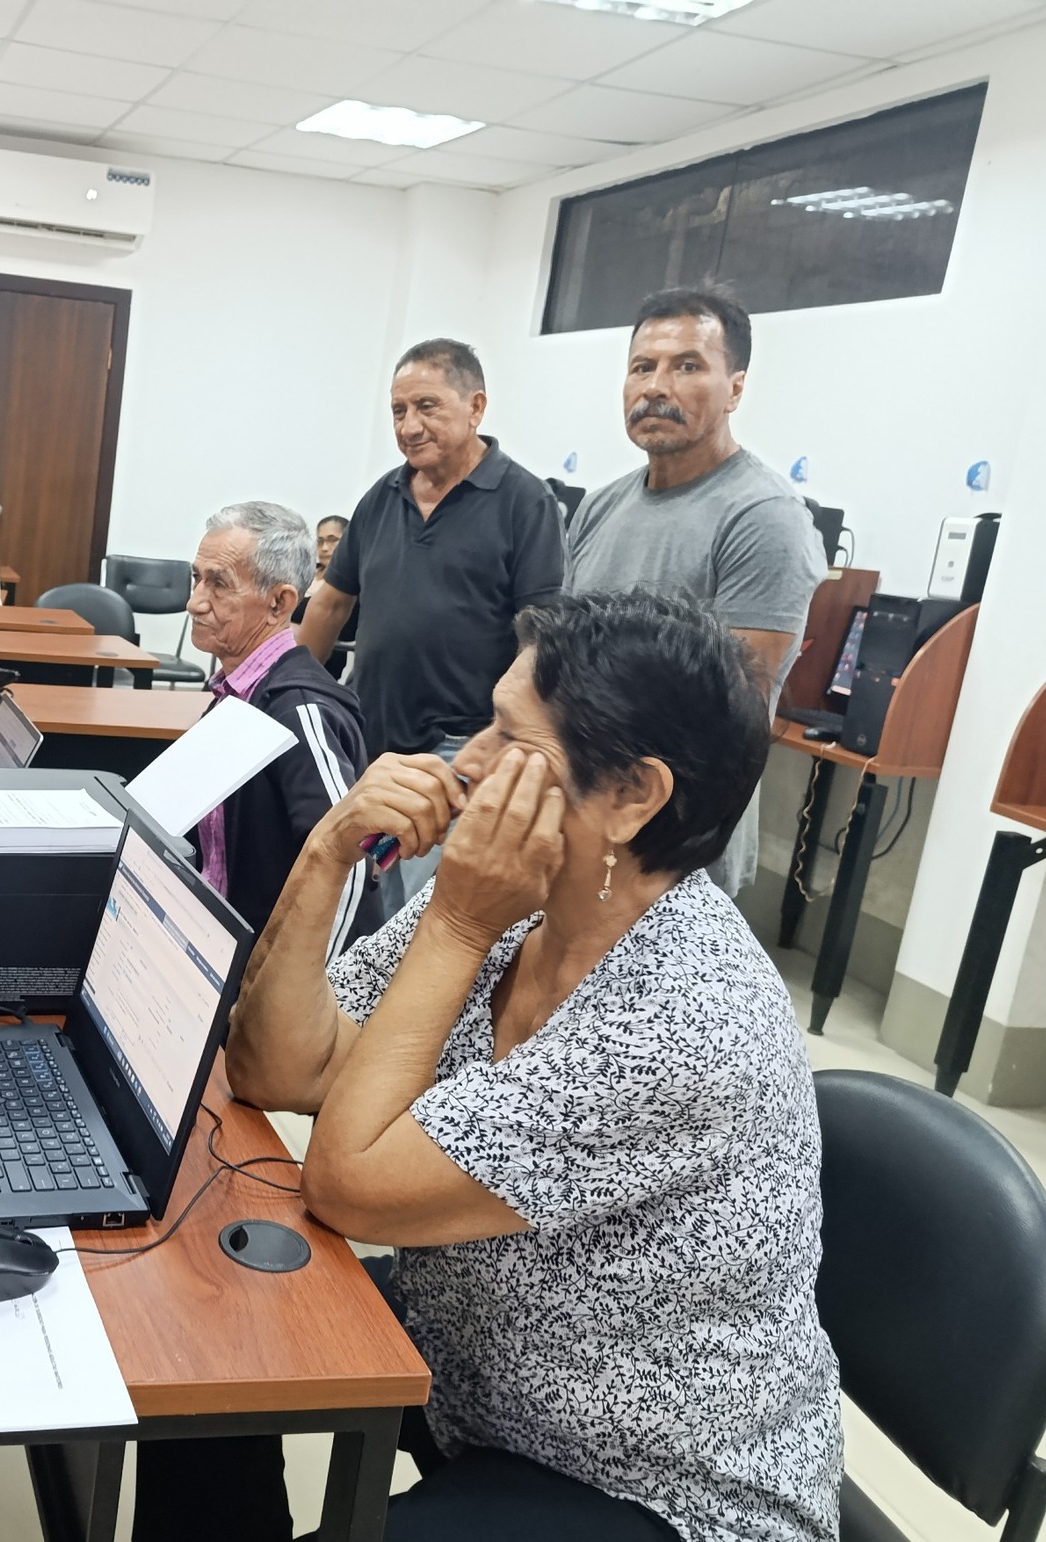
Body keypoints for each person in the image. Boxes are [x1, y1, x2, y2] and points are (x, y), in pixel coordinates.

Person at [192, 591, 840, 1542]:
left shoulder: (681, 1017)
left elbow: (345, 1187)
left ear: (632, 796)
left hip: (647, 1486)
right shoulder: (524, 902)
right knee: (211, 1349)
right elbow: (276, 1068)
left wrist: (456, 924)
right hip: (482, 1375)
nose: (469, 762)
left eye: (508, 738)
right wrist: (330, 848)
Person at [564, 286, 826, 896]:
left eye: (687, 366)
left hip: (676, 844)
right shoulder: (600, 506)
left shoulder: (764, 517)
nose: (656, 387)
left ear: (735, 388)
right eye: (642, 367)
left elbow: (729, 703)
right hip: (581, 814)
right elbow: (559, 661)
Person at [297, 339, 564, 914]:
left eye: (427, 406)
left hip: (459, 747)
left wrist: (512, 739)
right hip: (372, 736)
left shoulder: (525, 501)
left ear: (476, 407)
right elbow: (330, 605)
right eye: (398, 411)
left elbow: (540, 639)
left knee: (414, 911)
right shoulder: (383, 496)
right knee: (369, 891)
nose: (409, 426)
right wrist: (286, 686)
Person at [182, 501, 380, 952]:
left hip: (270, 974)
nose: (195, 602)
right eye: (197, 578)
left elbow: (352, 864)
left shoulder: (301, 711)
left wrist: (296, 988)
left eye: (219, 584)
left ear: (280, 602)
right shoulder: (235, 695)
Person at [290, 513, 354, 679]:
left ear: (348, 542)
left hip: (319, 662)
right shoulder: (301, 573)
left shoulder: (351, 584)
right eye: (320, 541)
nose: (325, 548)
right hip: (279, 653)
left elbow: (345, 630)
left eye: (333, 540)